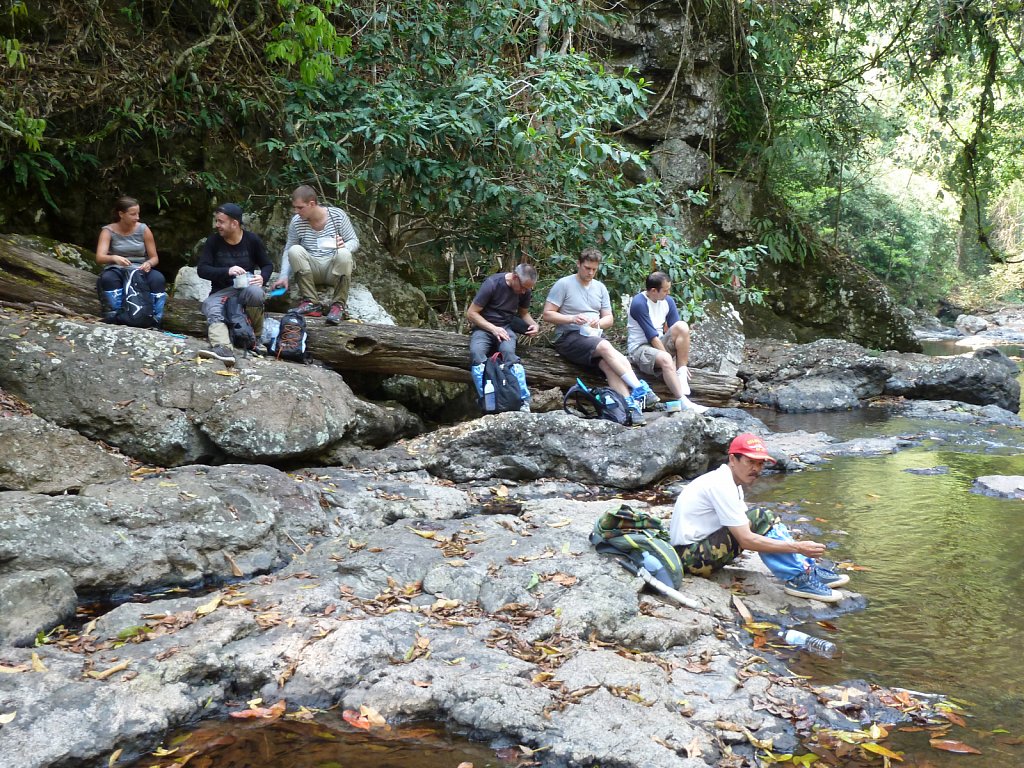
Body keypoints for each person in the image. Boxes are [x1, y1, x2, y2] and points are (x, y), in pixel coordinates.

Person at [669, 433, 850, 602]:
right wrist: (798, 547)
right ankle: (798, 578)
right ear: (733, 459)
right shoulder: (720, 485)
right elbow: (746, 540)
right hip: (690, 559)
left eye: (760, 463)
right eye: (750, 462)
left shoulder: (729, 482)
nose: (756, 469)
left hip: (695, 553)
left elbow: (748, 526)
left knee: (763, 516)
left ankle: (805, 570)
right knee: (761, 516)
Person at [542, 248, 658, 425]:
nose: (590, 273)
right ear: (578, 264)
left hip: (592, 336)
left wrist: (598, 323)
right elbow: (548, 314)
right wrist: (572, 318)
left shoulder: (600, 288)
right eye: (587, 268)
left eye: (594, 269)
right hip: (568, 337)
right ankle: (640, 389)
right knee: (605, 347)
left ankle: (630, 408)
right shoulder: (564, 284)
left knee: (609, 364)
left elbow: (609, 319)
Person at [196, 203, 273, 367]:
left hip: (245, 289)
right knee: (212, 307)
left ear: (235, 223)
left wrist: (262, 278)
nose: (217, 225)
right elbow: (202, 270)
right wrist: (227, 271)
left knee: (257, 293)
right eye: (217, 221)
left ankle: (255, 339)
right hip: (221, 291)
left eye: (221, 222)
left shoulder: (251, 240)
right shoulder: (213, 241)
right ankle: (223, 349)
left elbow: (267, 265)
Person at [272, 185, 360, 325]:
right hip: (312, 269)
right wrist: (283, 276)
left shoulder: (337, 215)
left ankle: (338, 306)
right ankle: (311, 302)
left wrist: (344, 246)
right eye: (295, 207)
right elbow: (289, 249)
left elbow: (354, 241)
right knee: (295, 250)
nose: (296, 211)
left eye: (300, 208)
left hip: (333, 268)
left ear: (312, 204)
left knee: (344, 254)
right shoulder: (297, 222)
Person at [626, 271, 706, 414]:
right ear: (653, 291)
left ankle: (681, 374)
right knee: (665, 358)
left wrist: (679, 365)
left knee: (682, 326)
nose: (668, 293)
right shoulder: (639, 303)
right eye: (665, 290)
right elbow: (651, 336)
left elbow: (677, 330)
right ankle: (684, 402)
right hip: (640, 349)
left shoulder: (667, 301)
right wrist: (669, 360)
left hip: (659, 343)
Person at [466, 264, 540, 411]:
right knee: (477, 354)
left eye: (528, 289)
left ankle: (522, 400)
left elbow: (524, 313)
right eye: (523, 287)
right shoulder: (492, 284)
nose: (524, 291)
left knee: (509, 355)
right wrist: (493, 329)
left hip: (506, 328)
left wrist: (534, 325)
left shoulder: (525, 290)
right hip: (484, 327)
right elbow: (471, 313)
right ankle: (486, 400)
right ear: (514, 277)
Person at [95, 196, 167, 326]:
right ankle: (114, 315)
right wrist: (114, 258)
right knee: (108, 279)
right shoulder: (108, 231)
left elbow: (154, 258)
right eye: (133, 214)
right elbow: (100, 257)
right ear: (121, 214)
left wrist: (148, 263)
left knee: (158, 279)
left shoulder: (143, 229)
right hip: (117, 268)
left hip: (139, 268)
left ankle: (155, 318)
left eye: (138, 213)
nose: (137, 217)